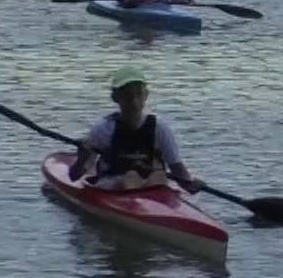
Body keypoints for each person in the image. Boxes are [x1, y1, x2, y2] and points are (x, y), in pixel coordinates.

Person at [70, 66, 203, 193]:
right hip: (112, 188)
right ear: (115, 98)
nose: (134, 102)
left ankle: (149, 205)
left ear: (146, 95)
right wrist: (82, 158)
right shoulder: (103, 130)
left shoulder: (160, 129)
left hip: (152, 187)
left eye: (138, 94)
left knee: (158, 176)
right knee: (131, 177)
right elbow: (74, 176)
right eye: (128, 95)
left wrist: (192, 185)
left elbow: (178, 171)